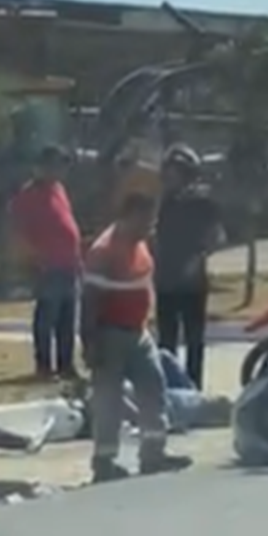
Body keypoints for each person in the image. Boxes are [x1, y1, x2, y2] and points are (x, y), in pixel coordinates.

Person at [81, 193, 193, 483]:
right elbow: (90, 300)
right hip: (109, 334)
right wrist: (89, 342)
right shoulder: (103, 251)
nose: (150, 226)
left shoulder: (141, 246)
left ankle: (153, 454)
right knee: (109, 399)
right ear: (129, 216)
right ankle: (104, 461)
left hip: (138, 332)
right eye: (146, 220)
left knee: (153, 385)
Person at [152, 143, 224, 389]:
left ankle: (194, 386)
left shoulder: (203, 203)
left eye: (174, 173)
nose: (169, 178)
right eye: (167, 172)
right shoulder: (165, 201)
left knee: (194, 339)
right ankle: (169, 386)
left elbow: (216, 237)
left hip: (192, 282)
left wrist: (198, 258)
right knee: (166, 340)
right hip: (165, 280)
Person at [8, 145, 82, 379]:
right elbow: (18, 230)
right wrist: (32, 258)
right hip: (48, 267)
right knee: (46, 318)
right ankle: (43, 365)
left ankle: (66, 364)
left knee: (68, 319)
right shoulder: (28, 195)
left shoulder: (59, 189)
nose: (59, 169)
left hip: (69, 265)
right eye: (55, 164)